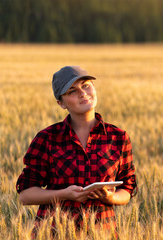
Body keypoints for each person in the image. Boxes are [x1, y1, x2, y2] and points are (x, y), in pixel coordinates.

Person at [16, 66, 137, 234]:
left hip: (102, 233)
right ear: (61, 103)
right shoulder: (47, 138)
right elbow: (26, 195)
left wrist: (110, 197)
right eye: (72, 91)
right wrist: (65, 194)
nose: (82, 93)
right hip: (54, 233)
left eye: (86, 85)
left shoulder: (118, 138)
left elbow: (127, 188)